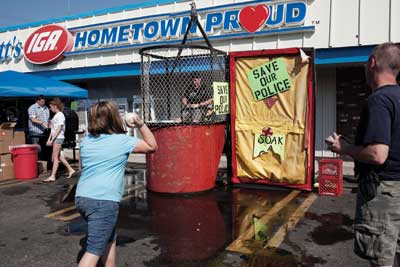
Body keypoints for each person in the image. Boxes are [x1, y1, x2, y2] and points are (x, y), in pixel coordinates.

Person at [326, 42, 400, 267]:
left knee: (380, 259)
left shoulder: (379, 100)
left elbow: (378, 154)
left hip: (384, 192)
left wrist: (344, 148)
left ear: (372, 63)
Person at [75, 101, 157, 267]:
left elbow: (82, 168)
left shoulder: (86, 141)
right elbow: (152, 146)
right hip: (103, 202)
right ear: (113, 118)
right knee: (93, 251)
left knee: (109, 238)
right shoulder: (122, 141)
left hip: (82, 198)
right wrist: (140, 123)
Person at [43, 98, 75, 182]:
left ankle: (53, 176)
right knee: (59, 156)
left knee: (55, 157)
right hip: (56, 137)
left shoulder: (60, 115)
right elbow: (53, 129)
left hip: (59, 137)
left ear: (55, 106)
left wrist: (52, 139)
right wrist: (49, 139)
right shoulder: (56, 115)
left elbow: (59, 128)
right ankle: (71, 169)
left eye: (51, 107)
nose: (50, 108)